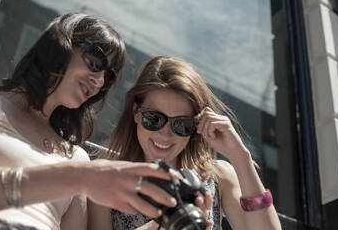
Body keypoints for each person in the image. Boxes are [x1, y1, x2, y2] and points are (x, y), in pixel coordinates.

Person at [0, 14, 180, 230]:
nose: (100, 81)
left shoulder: (76, 157)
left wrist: (158, 226)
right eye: (96, 61)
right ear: (60, 44)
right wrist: (80, 177)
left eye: (108, 76)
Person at [88, 56, 282, 230]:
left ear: (195, 127)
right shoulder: (107, 177)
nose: (166, 134)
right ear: (136, 113)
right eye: (154, 119)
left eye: (181, 124)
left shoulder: (219, 178)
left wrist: (240, 156)